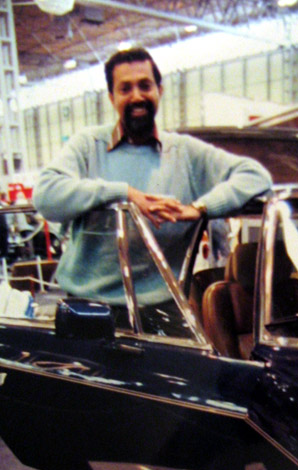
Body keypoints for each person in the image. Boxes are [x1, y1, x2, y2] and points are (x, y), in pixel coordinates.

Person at [33, 46, 272, 309]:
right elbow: (45, 195)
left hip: (163, 310)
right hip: (86, 309)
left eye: (145, 86)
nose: (137, 96)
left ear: (160, 90)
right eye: (125, 89)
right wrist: (124, 193)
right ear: (112, 97)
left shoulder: (185, 152)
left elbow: (256, 176)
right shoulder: (88, 145)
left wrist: (199, 209)